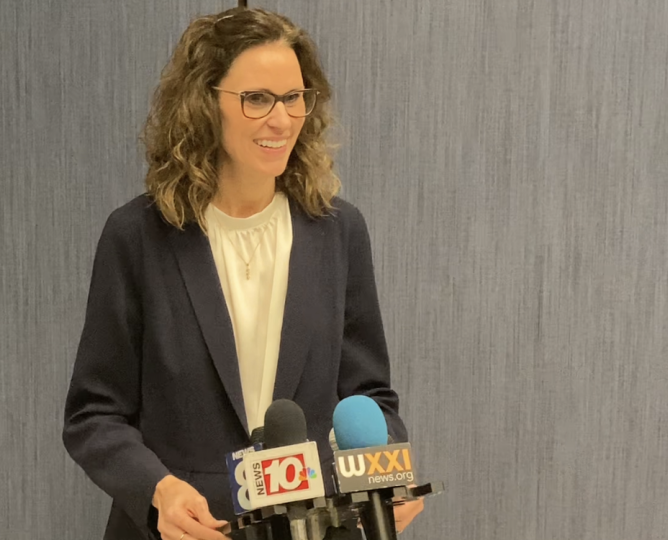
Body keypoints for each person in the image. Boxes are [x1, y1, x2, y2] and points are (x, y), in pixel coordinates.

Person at [63, 7, 424, 540]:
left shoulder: (339, 231)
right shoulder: (138, 236)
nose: (281, 119)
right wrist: (156, 490)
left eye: (295, 98)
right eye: (256, 98)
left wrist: (385, 472)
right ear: (204, 104)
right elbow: (94, 415)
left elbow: (369, 395)